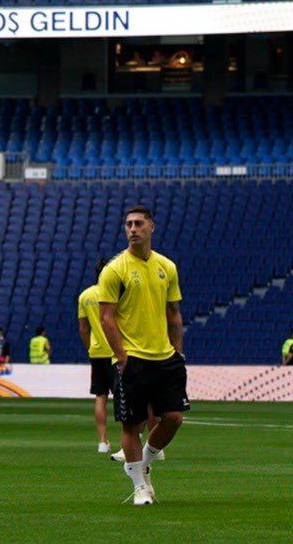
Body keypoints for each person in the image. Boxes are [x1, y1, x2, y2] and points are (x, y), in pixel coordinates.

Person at [98, 204, 188, 507]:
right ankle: (140, 486)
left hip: (165, 357)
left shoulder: (167, 267)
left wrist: (178, 350)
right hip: (132, 358)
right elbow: (106, 318)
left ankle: (143, 462)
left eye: (138, 223)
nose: (133, 228)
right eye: (128, 224)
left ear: (152, 226)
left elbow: (173, 311)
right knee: (131, 425)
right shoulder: (114, 269)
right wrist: (121, 357)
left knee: (173, 418)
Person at [78, 263, 117, 455]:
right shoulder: (116, 293)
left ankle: (102, 442)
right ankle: (134, 436)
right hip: (117, 351)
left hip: (97, 352)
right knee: (125, 396)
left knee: (100, 397)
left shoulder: (85, 296)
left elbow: (84, 329)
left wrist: (90, 348)